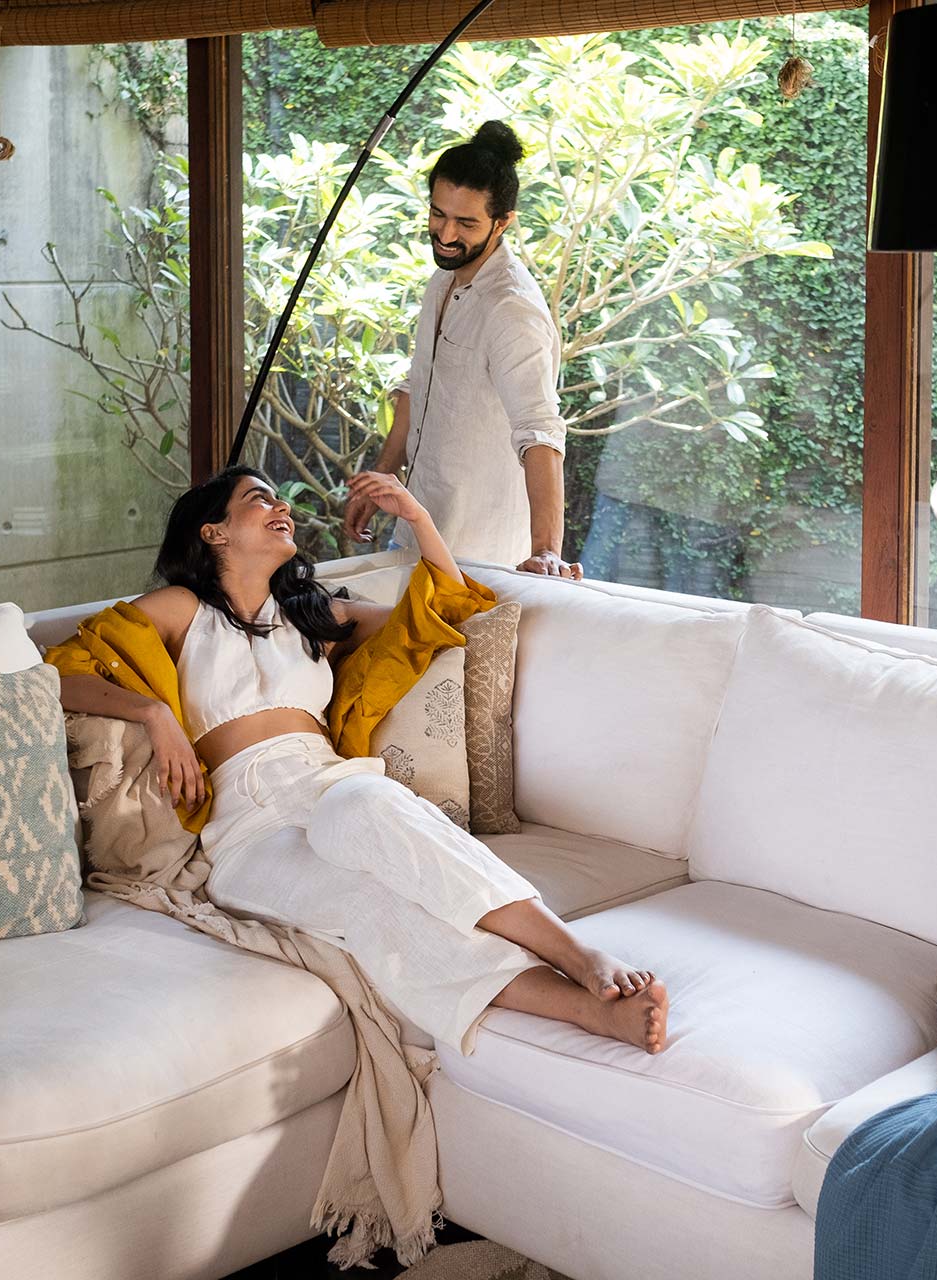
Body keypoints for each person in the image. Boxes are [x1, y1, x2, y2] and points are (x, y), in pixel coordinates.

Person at [59, 464, 667, 1055]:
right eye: (259, 499)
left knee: (364, 804)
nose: (282, 507)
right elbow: (61, 672)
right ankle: (589, 1012)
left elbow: (442, 613)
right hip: (242, 829)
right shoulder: (179, 609)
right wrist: (154, 715)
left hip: (328, 782)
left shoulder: (317, 616)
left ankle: (575, 955)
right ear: (213, 532)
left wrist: (417, 517)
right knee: (372, 910)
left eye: (279, 499)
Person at [344, 120, 581, 580]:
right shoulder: (443, 278)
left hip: (477, 555)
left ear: (503, 221)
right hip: (415, 529)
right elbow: (418, 386)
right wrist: (380, 480)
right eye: (438, 215)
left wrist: (547, 551)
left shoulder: (512, 310)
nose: (446, 234)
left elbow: (541, 432)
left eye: (466, 223)